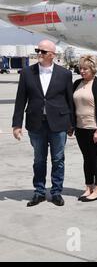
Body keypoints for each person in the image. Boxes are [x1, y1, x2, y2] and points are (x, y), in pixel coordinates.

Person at [12, 39, 73, 207]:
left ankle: (56, 192)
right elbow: (20, 100)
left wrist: (71, 125)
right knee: (39, 160)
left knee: (58, 159)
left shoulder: (65, 74)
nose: (39, 53)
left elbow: (70, 101)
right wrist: (16, 125)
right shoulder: (26, 73)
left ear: (52, 55)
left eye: (43, 51)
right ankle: (39, 192)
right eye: (37, 50)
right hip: (36, 123)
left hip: (58, 123)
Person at [73, 55, 97, 202]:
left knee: (96, 158)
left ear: (93, 69)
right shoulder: (77, 83)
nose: (82, 71)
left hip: (94, 128)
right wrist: (71, 125)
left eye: (85, 69)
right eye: (80, 68)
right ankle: (88, 187)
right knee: (86, 159)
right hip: (80, 128)